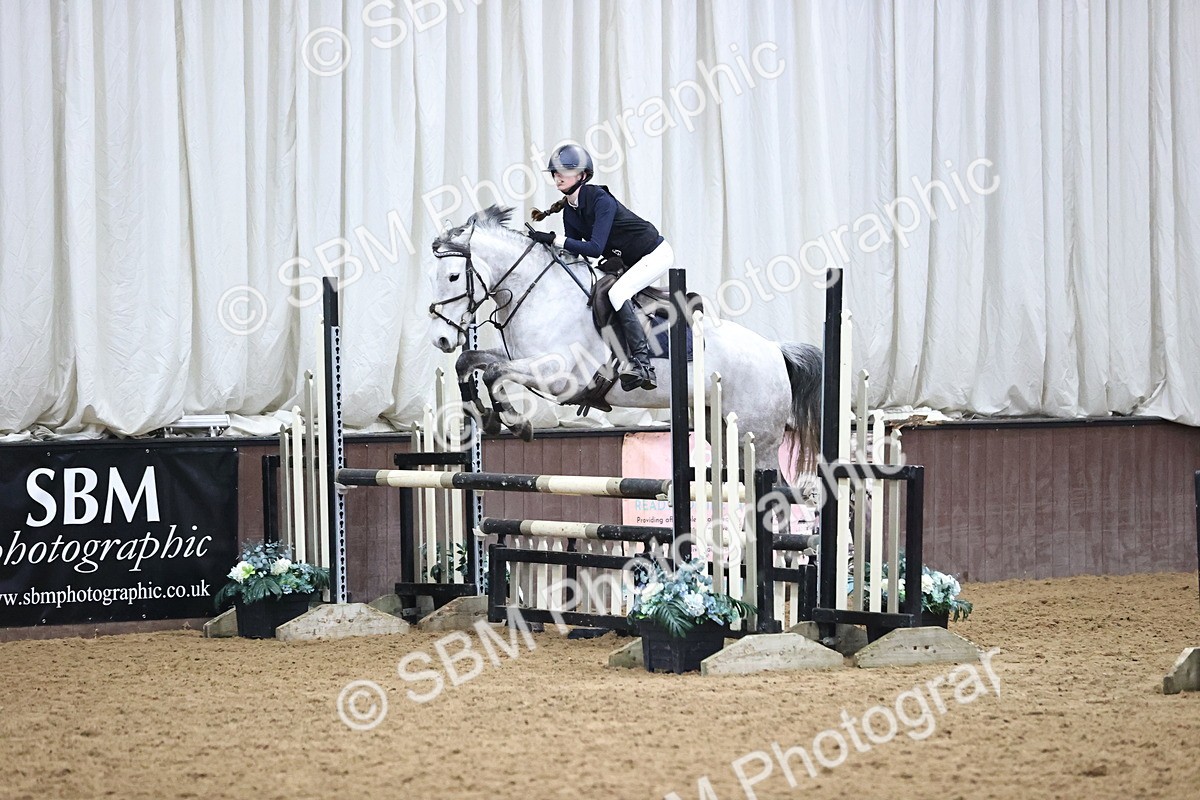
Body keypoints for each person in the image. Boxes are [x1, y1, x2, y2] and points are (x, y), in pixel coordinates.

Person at [527, 144, 674, 391]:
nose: (558, 176)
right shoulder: (569, 212)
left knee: (618, 293)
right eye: (555, 172)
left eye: (565, 171)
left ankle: (643, 365)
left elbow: (595, 248)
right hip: (628, 259)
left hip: (654, 253)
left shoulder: (600, 200)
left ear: (583, 175)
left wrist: (554, 238)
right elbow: (575, 253)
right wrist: (544, 249)